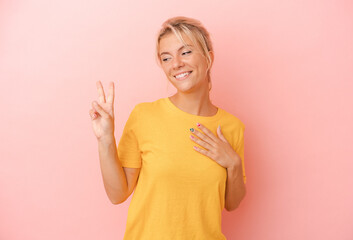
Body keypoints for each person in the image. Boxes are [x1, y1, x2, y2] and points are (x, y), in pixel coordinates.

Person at [89, 16, 247, 240]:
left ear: (209, 58)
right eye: (166, 58)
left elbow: (232, 203)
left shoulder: (232, 127)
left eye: (185, 52)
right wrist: (105, 139)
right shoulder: (145, 116)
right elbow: (117, 194)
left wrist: (233, 163)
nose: (176, 64)